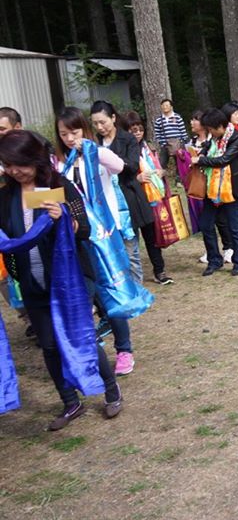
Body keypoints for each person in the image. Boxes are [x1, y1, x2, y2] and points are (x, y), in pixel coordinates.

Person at [0, 130, 123, 430]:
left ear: (35, 159)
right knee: (50, 346)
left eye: (20, 164)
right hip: (32, 281)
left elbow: (86, 230)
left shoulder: (58, 185)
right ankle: (70, 402)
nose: (14, 171)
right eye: (7, 164)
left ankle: (111, 390)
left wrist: (65, 217)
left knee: (81, 337)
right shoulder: (5, 197)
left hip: (70, 279)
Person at [55, 107, 140, 377]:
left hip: (104, 235)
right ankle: (93, 345)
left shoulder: (98, 153)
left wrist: (93, 150)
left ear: (85, 129)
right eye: (64, 134)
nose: (70, 138)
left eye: (74, 132)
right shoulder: (60, 164)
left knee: (111, 290)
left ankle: (124, 350)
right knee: (86, 292)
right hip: (77, 237)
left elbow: (120, 167)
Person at [90, 101, 170, 288]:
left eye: (102, 122)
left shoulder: (127, 139)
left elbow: (132, 166)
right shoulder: (94, 142)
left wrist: (110, 160)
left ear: (113, 118)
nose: (99, 127)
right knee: (121, 246)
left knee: (139, 242)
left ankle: (147, 279)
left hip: (130, 197)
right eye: (95, 123)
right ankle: (125, 285)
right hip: (107, 199)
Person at [191, 108, 238, 276]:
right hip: (212, 188)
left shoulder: (237, 138)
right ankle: (214, 260)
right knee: (206, 224)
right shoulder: (213, 138)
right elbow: (206, 149)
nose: (210, 132)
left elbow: (224, 160)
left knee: (234, 227)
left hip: (231, 189)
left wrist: (201, 160)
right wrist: (201, 154)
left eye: (211, 129)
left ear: (220, 126)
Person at [124, 111, 179, 279]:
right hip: (131, 198)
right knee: (131, 240)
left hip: (151, 197)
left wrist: (161, 172)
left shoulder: (147, 148)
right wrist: (137, 179)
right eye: (133, 130)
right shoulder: (122, 150)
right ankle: (131, 276)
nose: (138, 133)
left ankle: (159, 271)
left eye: (140, 129)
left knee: (151, 235)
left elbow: (157, 167)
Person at [152, 98, 189, 173]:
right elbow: (158, 133)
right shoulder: (159, 120)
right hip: (165, 144)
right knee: (162, 163)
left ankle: (180, 177)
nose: (165, 107)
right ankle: (160, 177)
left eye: (166, 105)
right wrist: (162, 143)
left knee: (180, 163)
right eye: (163, 106)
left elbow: (182, 130)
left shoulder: (177, 117)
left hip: (178, 144)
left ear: (171, 107)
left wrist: (183, 142)